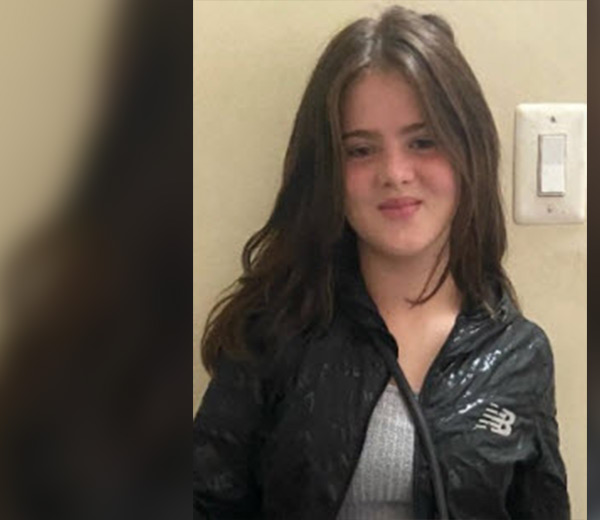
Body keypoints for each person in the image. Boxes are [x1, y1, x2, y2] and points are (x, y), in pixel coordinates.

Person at [193, 6, 569, 519]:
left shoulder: (519, 354)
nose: (395, 172)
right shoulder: (275, 329)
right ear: (327, 171)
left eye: (423, 142)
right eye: (360, 150)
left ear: (470, 150)